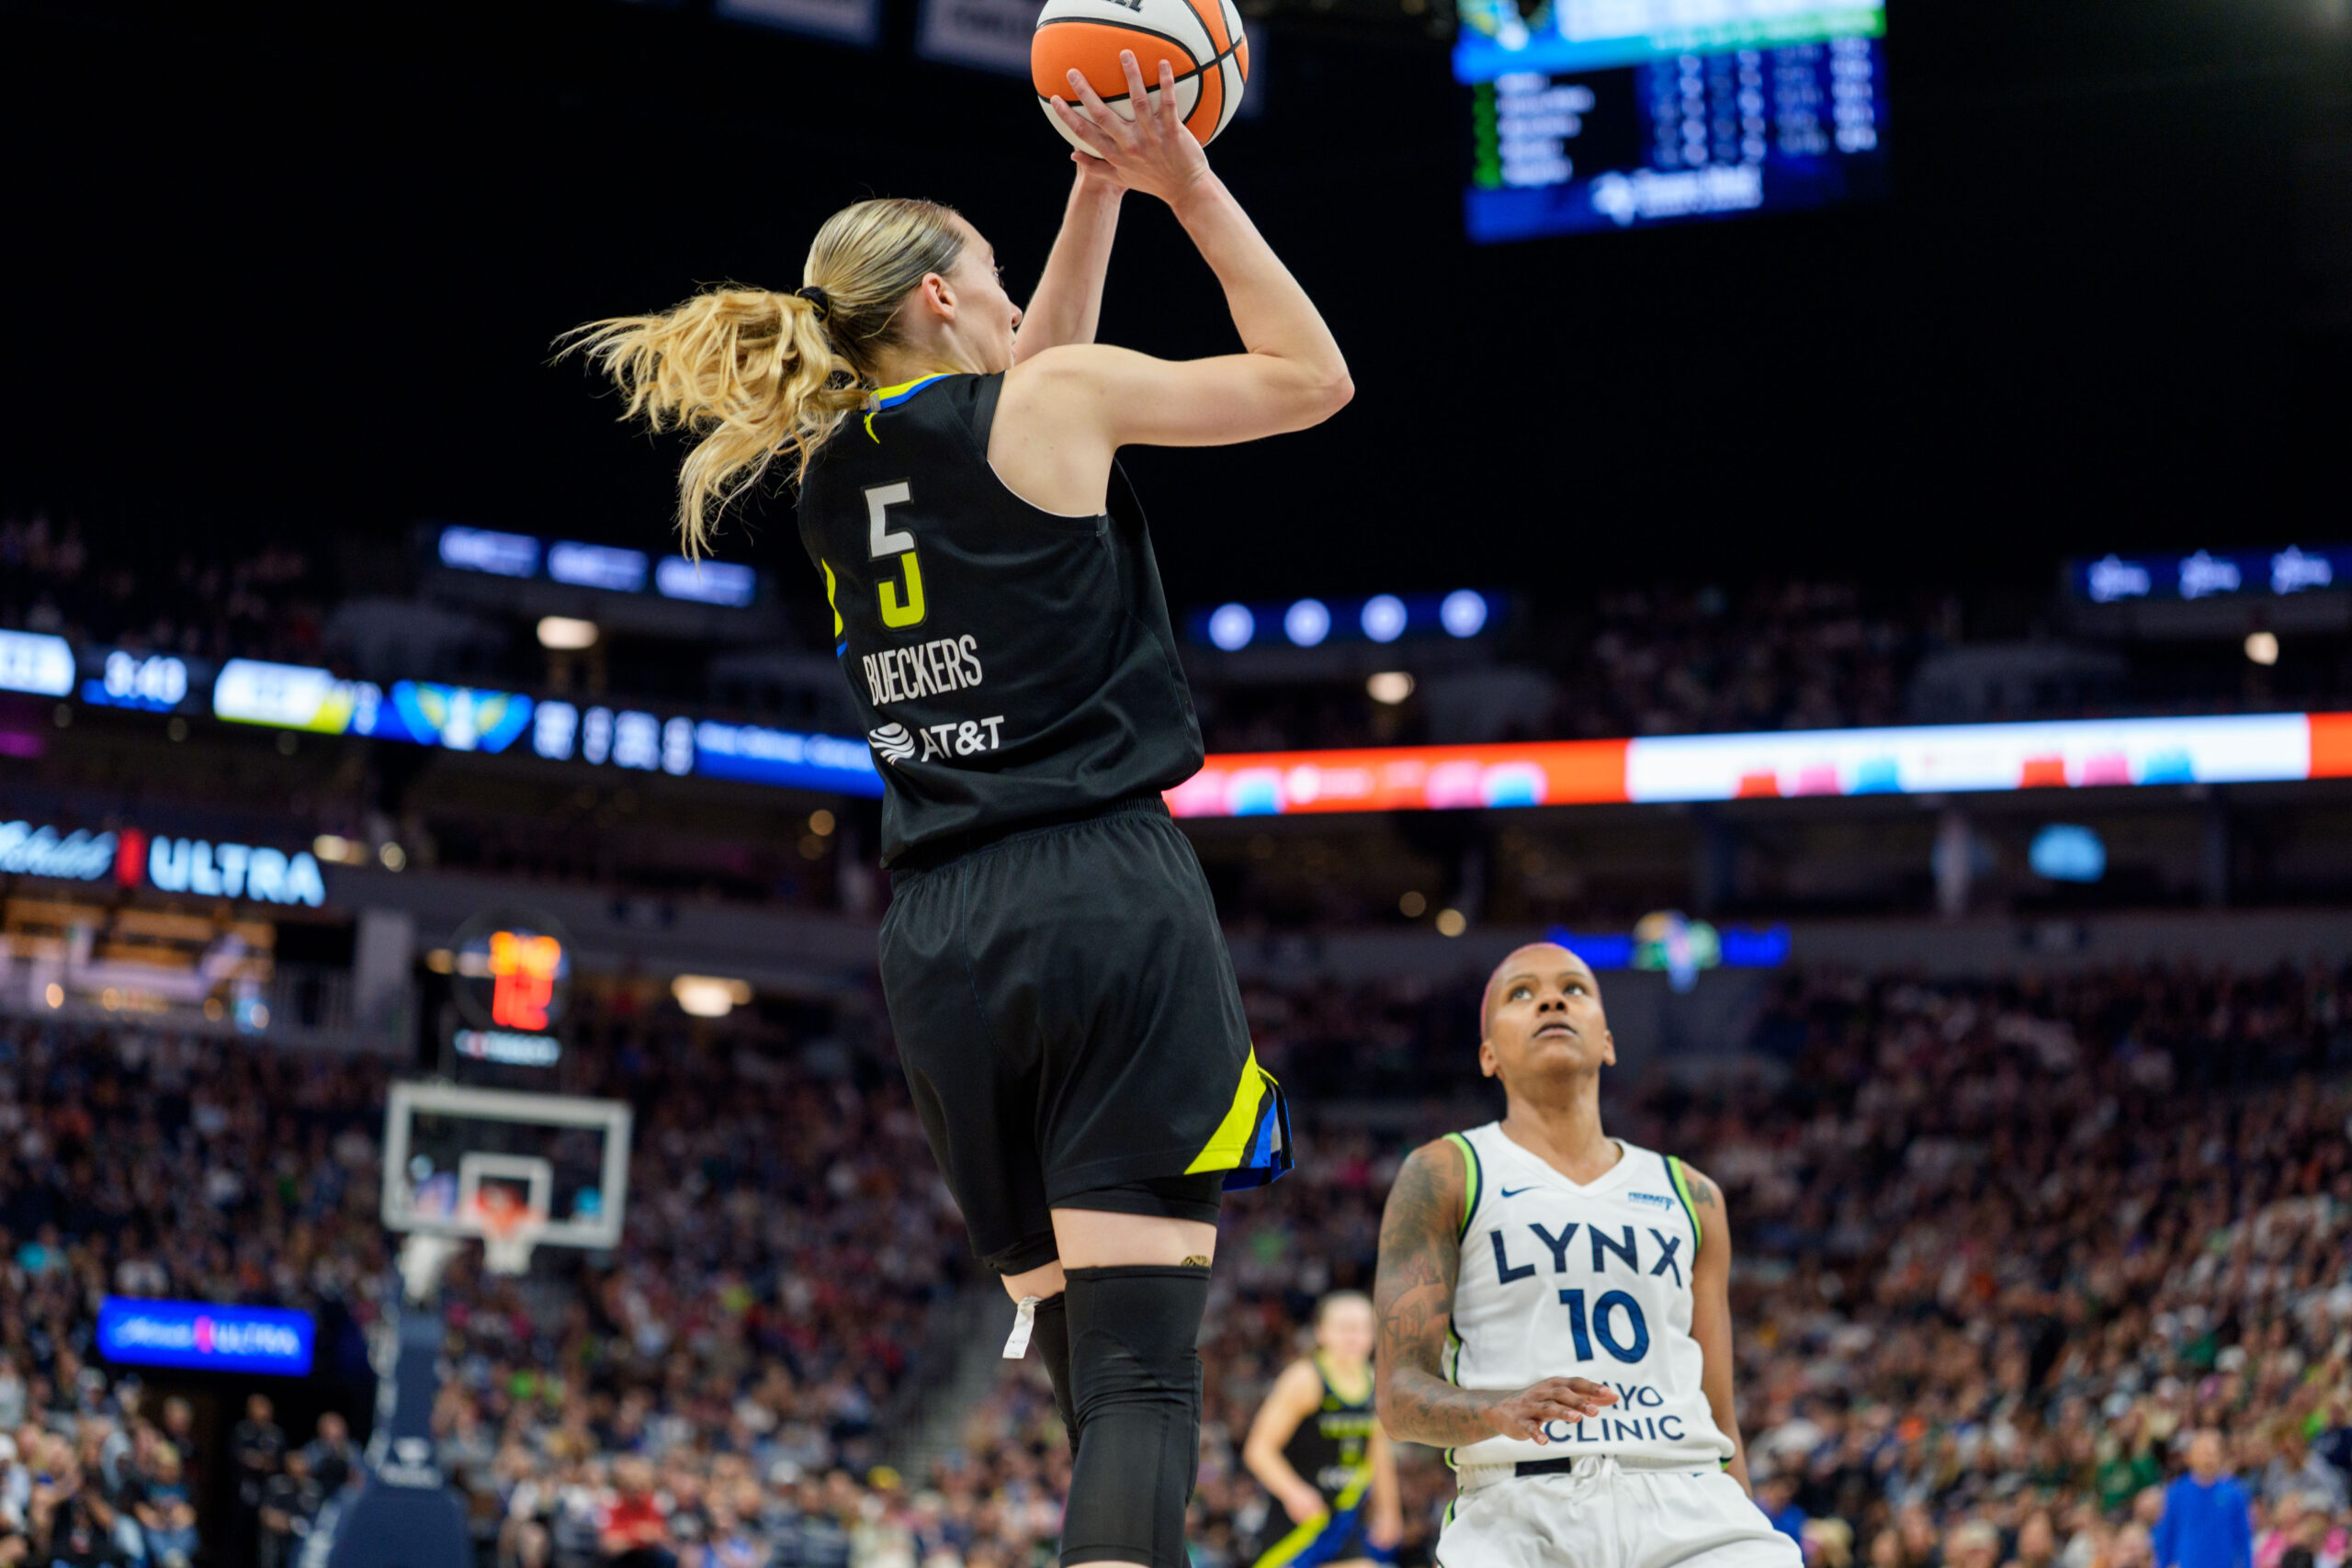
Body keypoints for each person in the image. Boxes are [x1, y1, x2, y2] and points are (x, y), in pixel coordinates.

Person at [570, 43, 1350, 1568]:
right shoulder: (1042, 403)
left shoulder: (826, 477)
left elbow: (1018, 380)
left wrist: (1090, 196)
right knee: (1141, 1371)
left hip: (940, 938)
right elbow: (1311, 378)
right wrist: (1185, 174)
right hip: (1099, 892)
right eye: (986, 274)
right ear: (937, 296)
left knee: (1090, 1375)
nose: (1011, 298)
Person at [1370, 942, 1798, 1568]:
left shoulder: (1694, 1193)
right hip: (1522, 1504)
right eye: (1521, 992)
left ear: (1608, 1041)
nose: (1550, 998)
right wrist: (1498, 1407)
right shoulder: (1445, 1171)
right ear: (1488, 1053)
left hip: (1690, 1494)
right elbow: (1398, 1397)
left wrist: (1742, 1508)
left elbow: (1721, 1418)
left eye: (1575, 988)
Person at [1240, 1292, 1403, 1568]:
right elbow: (1258, 1450)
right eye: (1344, 1328)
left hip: (1343, 1520)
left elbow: (1379, 1455)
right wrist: (1294, 1492)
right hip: (1297, 1522)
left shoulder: (1375, 1383)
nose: (1353, 1337)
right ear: (1320, 1332)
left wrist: (1389, 1510)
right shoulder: (1304, 1378)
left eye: (1362, 1328)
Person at [2155, 1433, 2254, 1568]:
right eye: (2204, 1453)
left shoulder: (2234, 1493)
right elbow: (2167, 1534)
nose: (2209, 1459)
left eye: (2213, 1454)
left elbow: (2243, 1536)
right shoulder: (2177, 1492)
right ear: (2190, 1457)